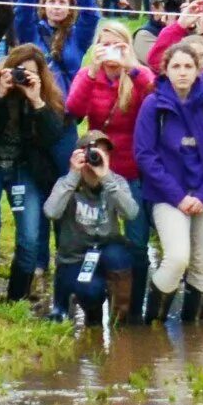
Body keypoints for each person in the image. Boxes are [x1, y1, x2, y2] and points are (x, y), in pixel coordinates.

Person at [134, 39, 203, 324]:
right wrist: (179, 197)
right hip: (168, 196)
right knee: (178, 257)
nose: (182, 72)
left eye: (188, 66)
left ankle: (192, 333)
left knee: (202, 265)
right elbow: (145, 155)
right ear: (165, 70)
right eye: (176, 66)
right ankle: (152, 323)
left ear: (198, 70)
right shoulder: (153, 104)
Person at [65, 21, 158, 319]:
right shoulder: (88, 75)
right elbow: (74, 110)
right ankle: (93, 303)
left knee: (137, 240)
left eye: (118, 44)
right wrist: (92, 71)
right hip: (97, 170)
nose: (112, 51)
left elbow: (155, 96)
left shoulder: (138, 76)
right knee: (94, 236)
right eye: (105, 44)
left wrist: (131, 66)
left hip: (132, 168)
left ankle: (134, 310)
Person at [0, 41, 65, 304]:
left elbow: (53, 136)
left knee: (30, 235)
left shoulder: (44, 95)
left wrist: (37, 101)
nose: (22, 76)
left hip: (23, 169)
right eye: (18, 70)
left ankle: (17, 298)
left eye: (29, 72)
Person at [47, 135, 141, 325]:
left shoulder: (115, 181)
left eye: (102, 153)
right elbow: (51, 212)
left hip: (107, 249)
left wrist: (106, 178)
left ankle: (119, 324)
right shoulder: (67, 182)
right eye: (92, 152)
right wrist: (74, 174)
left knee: (121, 257)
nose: (95, 158)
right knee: (90, 291)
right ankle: (93, 321)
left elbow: (131, 213)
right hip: (75, 257)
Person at [14, 0, 99, 89]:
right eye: (52, 1)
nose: (57, 6)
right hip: (36, 99)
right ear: (44, 6)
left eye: (62, 2)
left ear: (70, 9)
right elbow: (22, 12)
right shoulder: (31, 32)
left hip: (67, 101)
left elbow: (91, 16)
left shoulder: (78, 36)